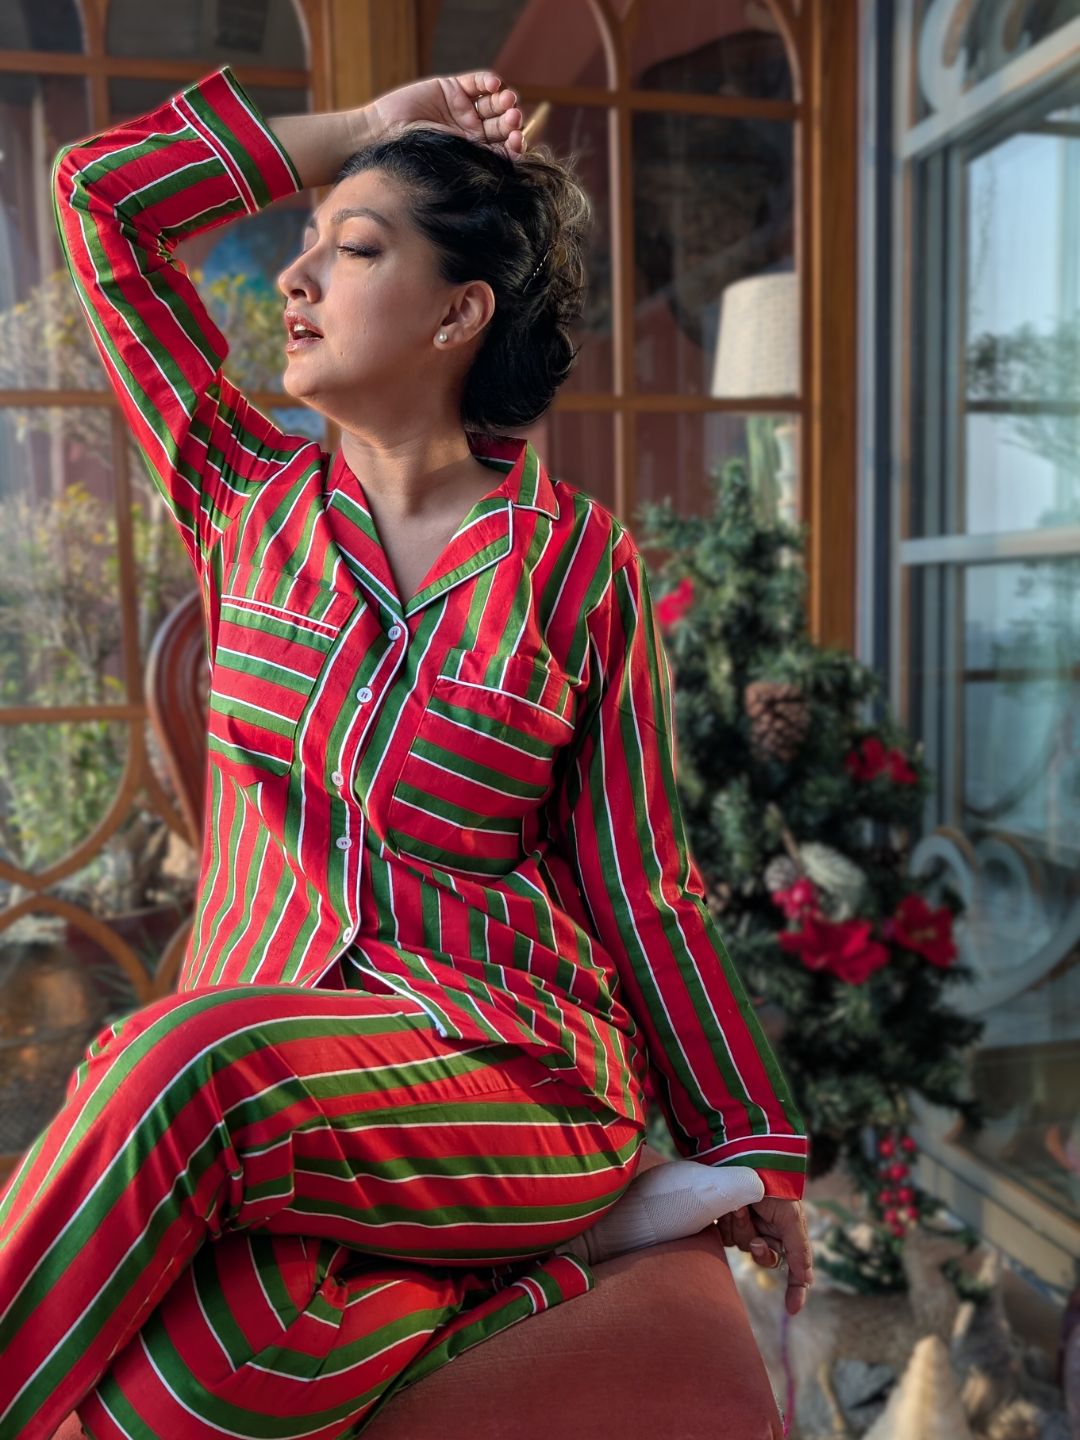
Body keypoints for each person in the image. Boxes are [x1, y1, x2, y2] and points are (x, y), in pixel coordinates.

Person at [0, 64, 812, 1439]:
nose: (297, 281)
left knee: (167, 1064)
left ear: (458, 312)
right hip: (290, 1057)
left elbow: (639, 884)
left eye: (353, 248)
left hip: (517, 1075)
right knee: (211, 1377)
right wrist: (364, 134)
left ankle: (556, 1222)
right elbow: (102, 201)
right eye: (307, 250)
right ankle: (539, 1272)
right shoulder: (241, 493)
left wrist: (753, 1148)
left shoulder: (576, 566)